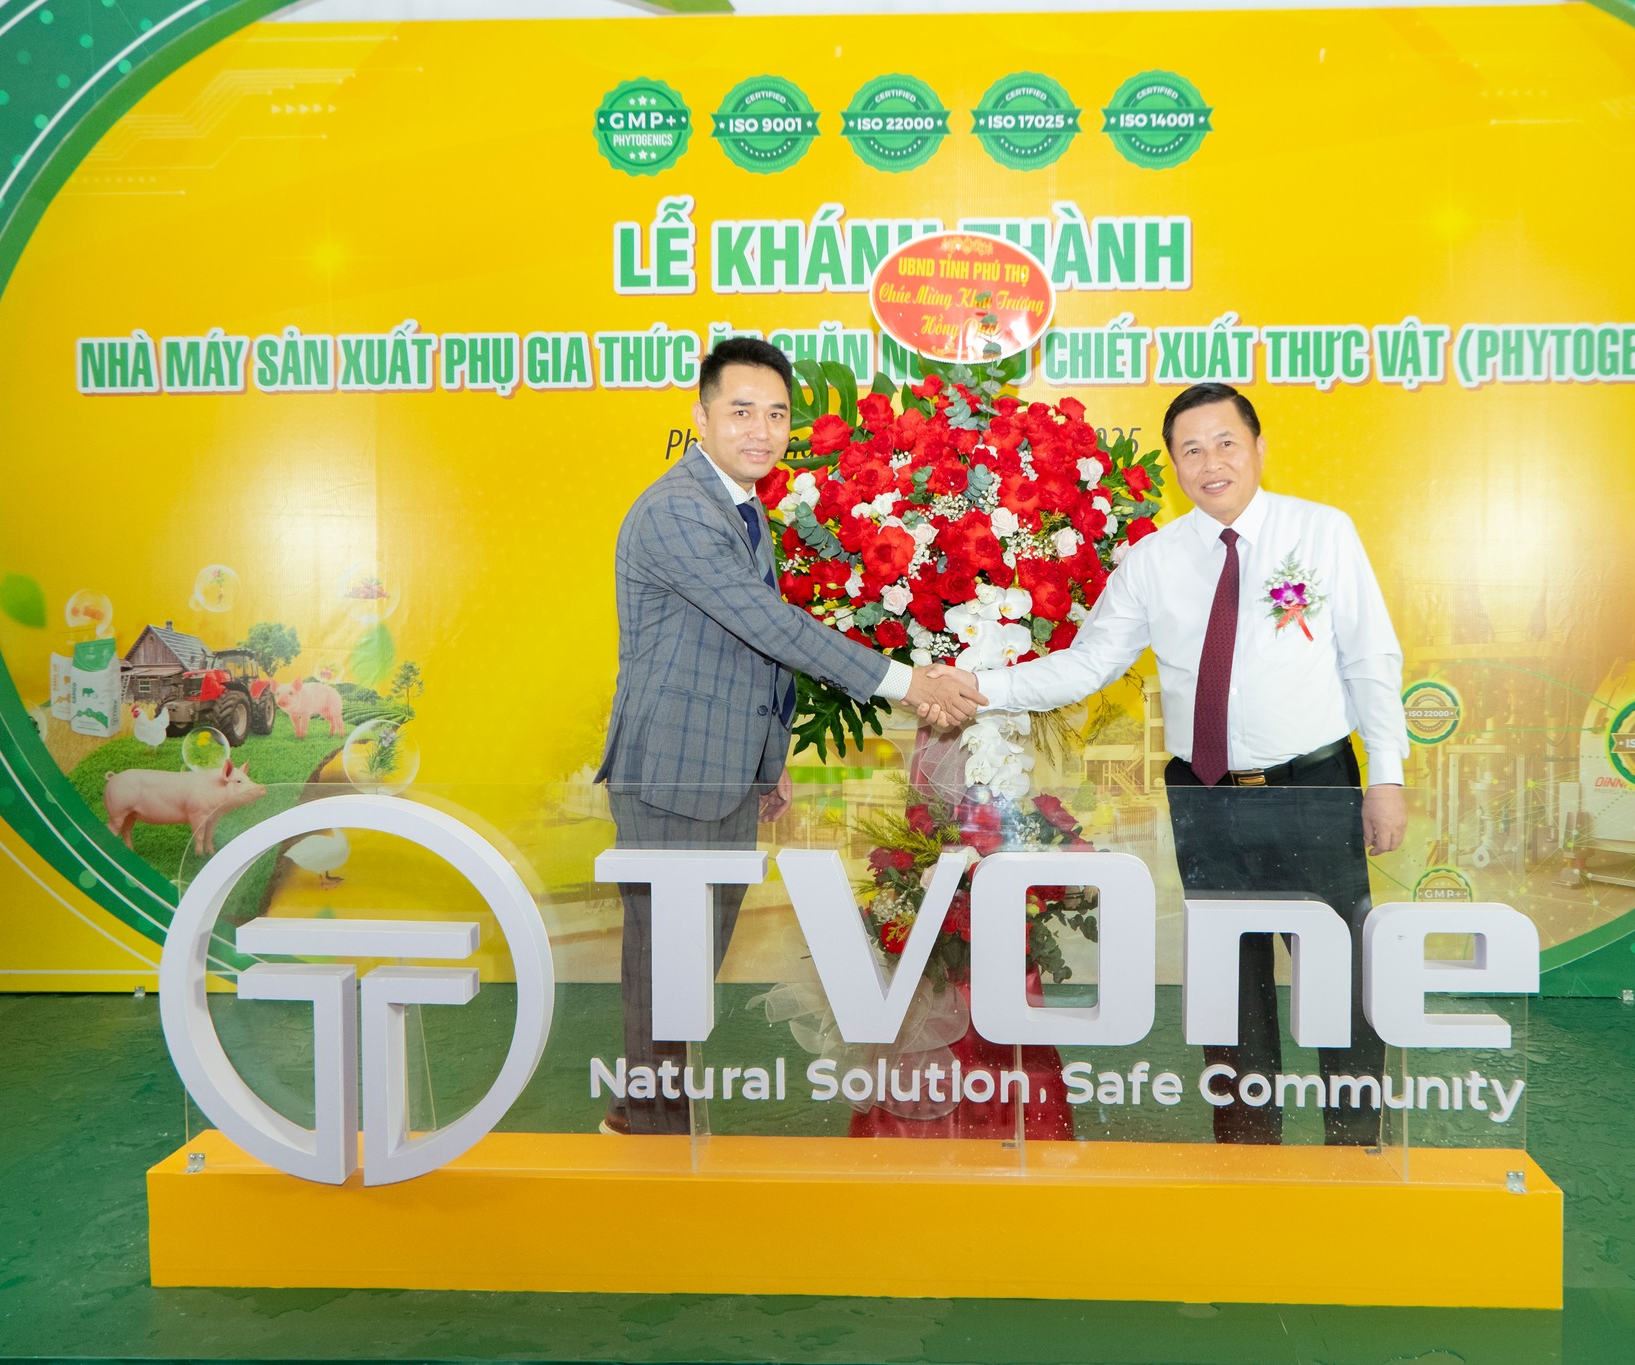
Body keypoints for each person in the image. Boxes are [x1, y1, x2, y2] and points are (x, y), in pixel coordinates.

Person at [964, 381, 1408, 1146]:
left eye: (1226, 442)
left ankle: (1356, 1148)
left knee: (1340, 983)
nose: (1211, 463)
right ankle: (1244, 1152)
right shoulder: (1153, 561)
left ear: (1259, 447)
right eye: (1191, 450)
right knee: (1227, 993)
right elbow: (1088, 664)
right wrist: (980, 688)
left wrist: (1387, 776)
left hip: (1313, 786)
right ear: (1174, 465)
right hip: (1206, 798)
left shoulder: (1322, 532)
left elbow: (1370, 658)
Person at [597, 336, 985, 1134]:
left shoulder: (740, 506)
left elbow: (745, 654)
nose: (761, 430)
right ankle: (645, 1122)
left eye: (776, 414)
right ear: (701, 416)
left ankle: (660, 1113)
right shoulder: (678, 508)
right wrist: (908, 682)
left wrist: (766, 758)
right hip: (673, 770)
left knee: (690, 964)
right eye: (742, 411)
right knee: (666, 963)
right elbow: (770, 625)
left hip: (721, 770)